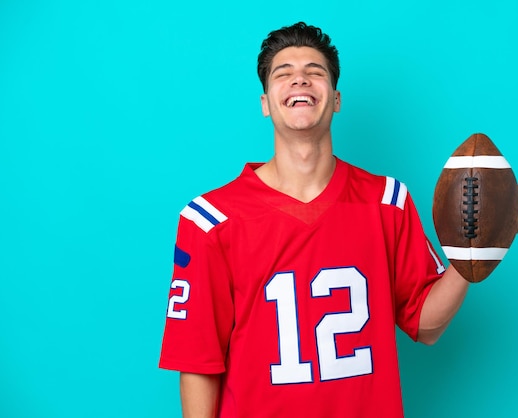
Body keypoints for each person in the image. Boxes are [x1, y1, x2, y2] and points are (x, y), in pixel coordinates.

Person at [159, 22, 471, 417]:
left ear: (336, 99)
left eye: (315, 71)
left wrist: (468, 261)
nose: (300, 79)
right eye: (283, 73)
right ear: (265, 103)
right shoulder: (210, 220)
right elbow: (198, 361)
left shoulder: (387, 201)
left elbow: (426, 326)